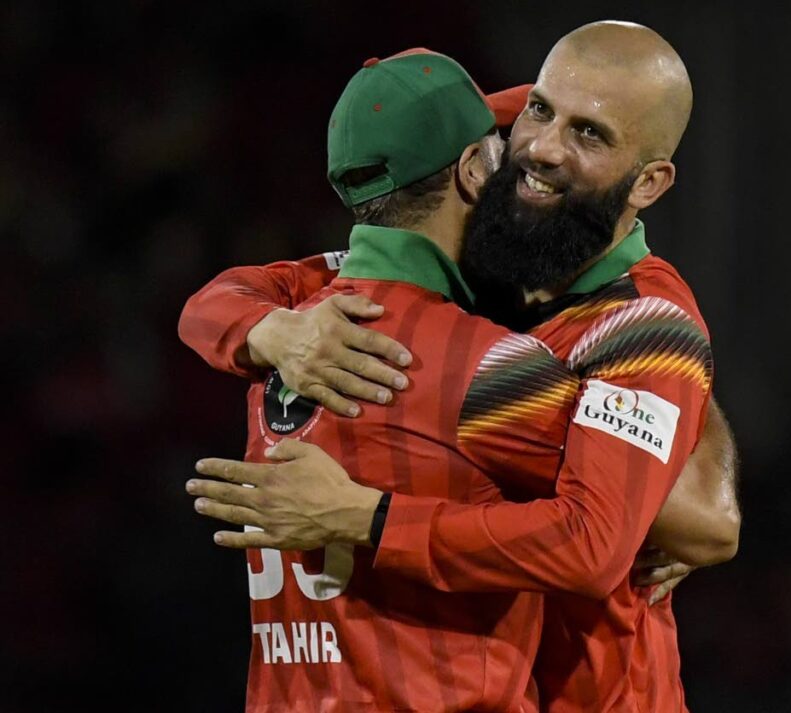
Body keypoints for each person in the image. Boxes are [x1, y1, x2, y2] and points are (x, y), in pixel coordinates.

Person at [184, 24, 740, 713]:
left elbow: (697, 522)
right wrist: (271, 330)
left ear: (650, 181)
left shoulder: (645, 324)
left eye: (590, 135)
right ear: (482, 157)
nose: (543, 148)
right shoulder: (473, 269)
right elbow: (217, 300)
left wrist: (370, 517)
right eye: (537, 112)